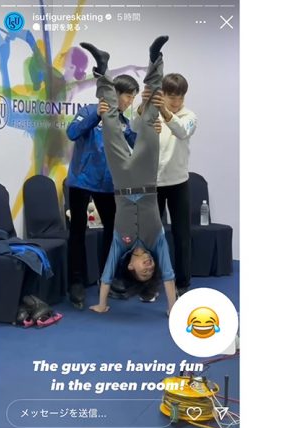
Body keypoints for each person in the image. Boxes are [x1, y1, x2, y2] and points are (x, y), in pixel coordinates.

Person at [80, 35, 177, 315]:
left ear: (131, 267)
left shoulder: (119, 243)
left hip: (121, 178)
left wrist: (101, 304)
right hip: (146, 177)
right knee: (149, 117)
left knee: (109, 122)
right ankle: (155, 60)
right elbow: (168, 274)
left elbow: (107, 273)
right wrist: (172, 307)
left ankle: (102, 68)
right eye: (151, 269)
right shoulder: (157, 240)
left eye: (143, 271)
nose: (149, 266)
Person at [65, 74, 141, 309]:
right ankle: (75, 282)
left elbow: (137, 144)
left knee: (111, 231)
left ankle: (106, 278)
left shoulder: (122, 121)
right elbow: (72, 132)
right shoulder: (89, 110)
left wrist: (146, 130)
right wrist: (96, 115)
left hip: (106, 185)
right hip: (80, 181)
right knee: (77, 232)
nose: (130, 101)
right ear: (116, 93)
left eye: (133, 97)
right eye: (128, 96)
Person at [133, 73, 197, 296]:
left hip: (179, 183)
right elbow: (134, 126)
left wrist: (165, 112)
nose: (176, 102)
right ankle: (150, 285)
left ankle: (183, 283)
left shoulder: (189, 116)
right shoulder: (153, 111)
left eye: (180, 97)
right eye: (171, 97)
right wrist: (144, 104)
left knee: (181, 235)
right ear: (163, 94)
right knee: (150, 237)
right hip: (153, 183)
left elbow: (181, 131)